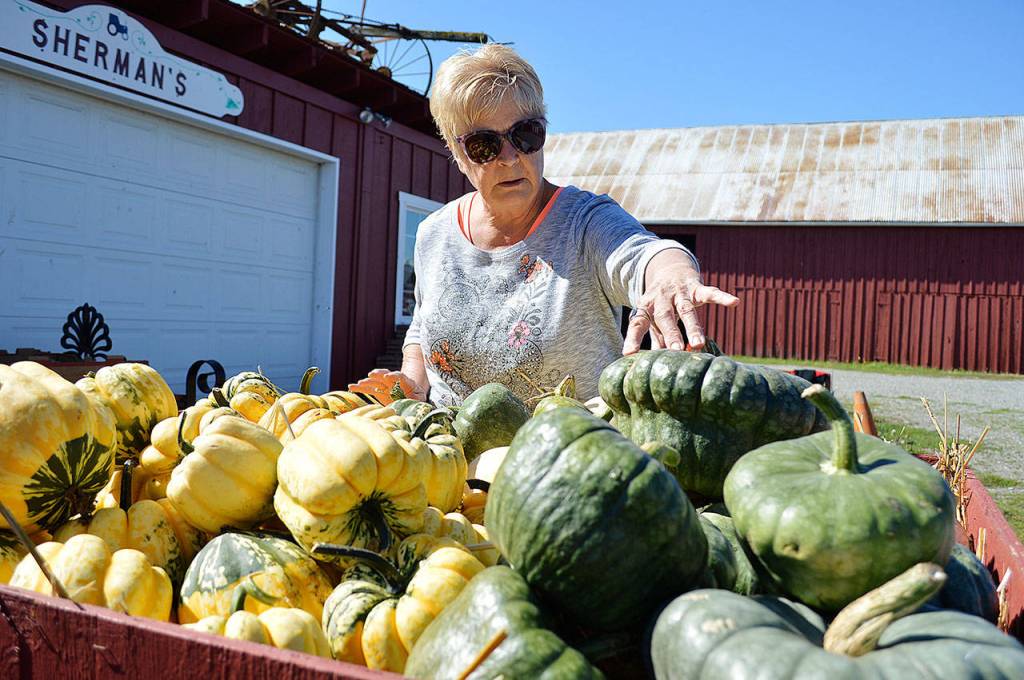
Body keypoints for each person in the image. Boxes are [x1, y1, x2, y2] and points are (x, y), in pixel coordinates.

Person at [401, 44, 739, 406]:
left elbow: (643, 254)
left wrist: (670, 277)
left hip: (570, 456)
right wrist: (408, 384)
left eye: (525, 134)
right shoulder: (433, 234)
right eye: (484, 145)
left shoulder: (584, 221)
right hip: (447, 457)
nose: (510, 157)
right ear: (456, 153)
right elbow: (423, 327)